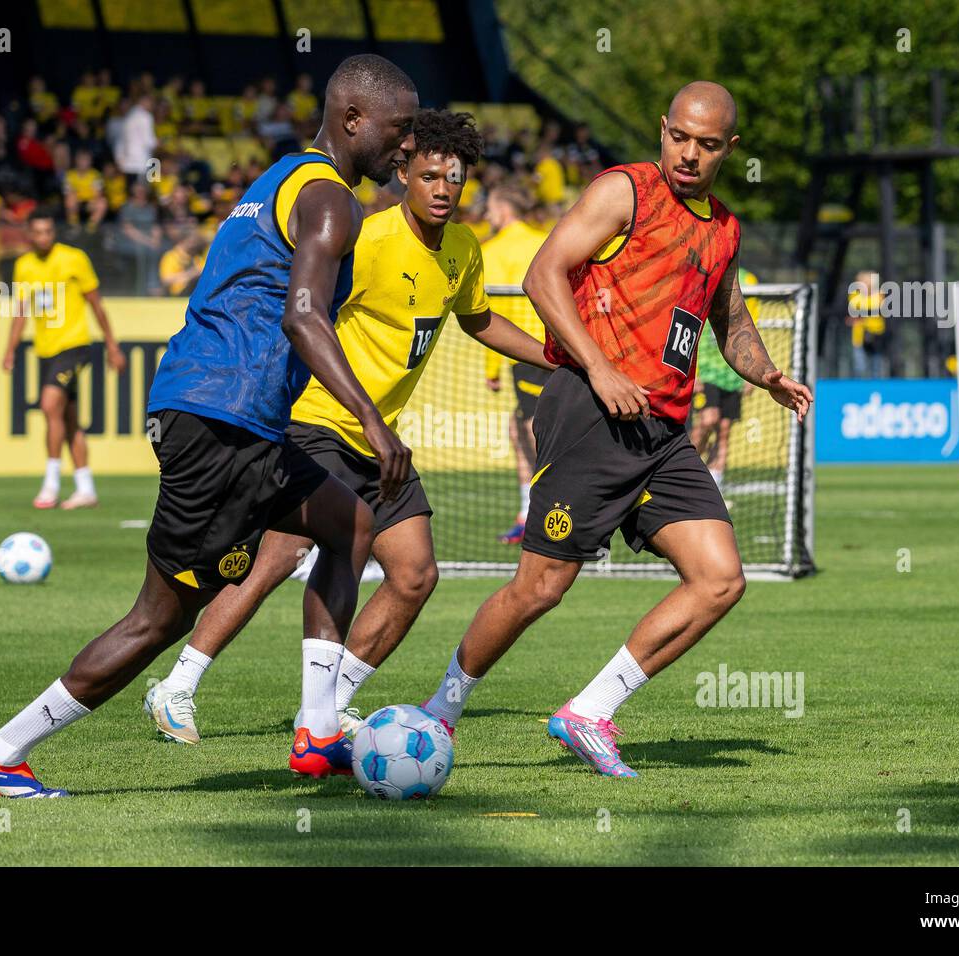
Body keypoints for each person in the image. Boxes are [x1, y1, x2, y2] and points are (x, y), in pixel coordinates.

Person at [0, 54, 419, 796]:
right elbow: (303, 317)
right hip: (222, 421)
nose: (405, 147)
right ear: (353, 119)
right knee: (158, 620)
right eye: (399, 130)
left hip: (224, 413)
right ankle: (1, 752)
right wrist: (374, 421)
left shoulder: (282, 177)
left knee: (349, 525)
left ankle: (319, 732)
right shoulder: (331, 198)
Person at [418, 81, 812, 778]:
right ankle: (437, 714)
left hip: (661, 432)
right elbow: (545, 274)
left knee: (720, 579)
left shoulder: (723, 228)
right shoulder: (624, 191)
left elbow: (733, 321)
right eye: (680, 137)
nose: (689, 153)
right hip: (590, 413)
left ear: (730, 149)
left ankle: (589, 711)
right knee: (539, 589)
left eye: (708, 144)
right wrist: (598, 368)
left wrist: (767, 375)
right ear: (663, 129)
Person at [143, 109, 552, 745]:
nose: (444, 188)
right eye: (431, 175)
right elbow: (307, 314)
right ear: (403, 175)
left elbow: (479, 322)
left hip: (379, 440)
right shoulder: (365, 235)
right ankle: (179, 686)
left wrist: (555, 355)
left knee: (415, 575)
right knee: (278, 555)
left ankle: (328, 707)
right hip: (318, 421)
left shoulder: (465, 251)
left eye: (456, 178)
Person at [1, 209, 126, 511]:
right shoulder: (24, 265)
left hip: (74, 345)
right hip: (46, 350)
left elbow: (96, 305)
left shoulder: (74, 259)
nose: (43, 237)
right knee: (68, 420)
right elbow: (21, 312)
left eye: (48, 231)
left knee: (48, 404)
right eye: (38, 232)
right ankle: (86, 488)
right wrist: (10, 349)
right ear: (29, 234)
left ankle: (51, 484)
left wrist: (112, 345)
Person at [480, 185, 548, 544]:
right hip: (558, 344)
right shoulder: (547, 238)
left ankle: (552, 508)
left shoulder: (494, 250)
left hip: (527, 351)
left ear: (504, 210)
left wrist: (491, 368)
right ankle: (529, 511)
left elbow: (492, 315)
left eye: (490, 209)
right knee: (518, 427)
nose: (487, 216)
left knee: (538, 430)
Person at [691, 266, 758, 490]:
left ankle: (714, 487)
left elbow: (751, 327)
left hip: (733, 371)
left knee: (724, 430)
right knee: (707, 420)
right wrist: (694, 372)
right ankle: (687, 468)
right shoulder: (705, 272)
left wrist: (751, 374)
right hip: (708, 370)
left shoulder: (749, 279)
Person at [846, 270, 885, 377]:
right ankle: (859, 390)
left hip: (876, 334)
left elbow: (879, 307)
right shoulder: (855, 295)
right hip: (859, 334)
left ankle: (875, 389)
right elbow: (855, 308)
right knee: (859, 365)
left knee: (876, 365)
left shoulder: (879, 294)